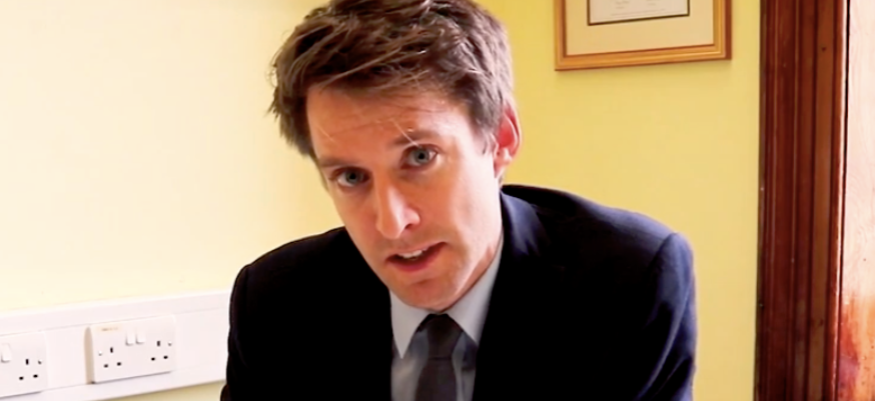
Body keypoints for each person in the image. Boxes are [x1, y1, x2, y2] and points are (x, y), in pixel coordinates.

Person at [220, 0, 697, 399]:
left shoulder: (625, 281)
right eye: (351, 177)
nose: (391, 223)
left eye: (419, 157)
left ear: (501, 137)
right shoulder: (275, 303)